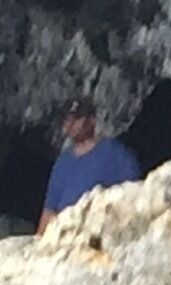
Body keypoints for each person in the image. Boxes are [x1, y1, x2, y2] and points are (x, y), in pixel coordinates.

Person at [38, 93, 141, 233]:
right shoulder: (62, 163)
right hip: (64, 233)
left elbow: (134, 192)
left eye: (77, 118)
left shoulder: (115, 153)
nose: (71, 123)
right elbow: (49, 210)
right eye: (66, 119)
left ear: (92, 120)